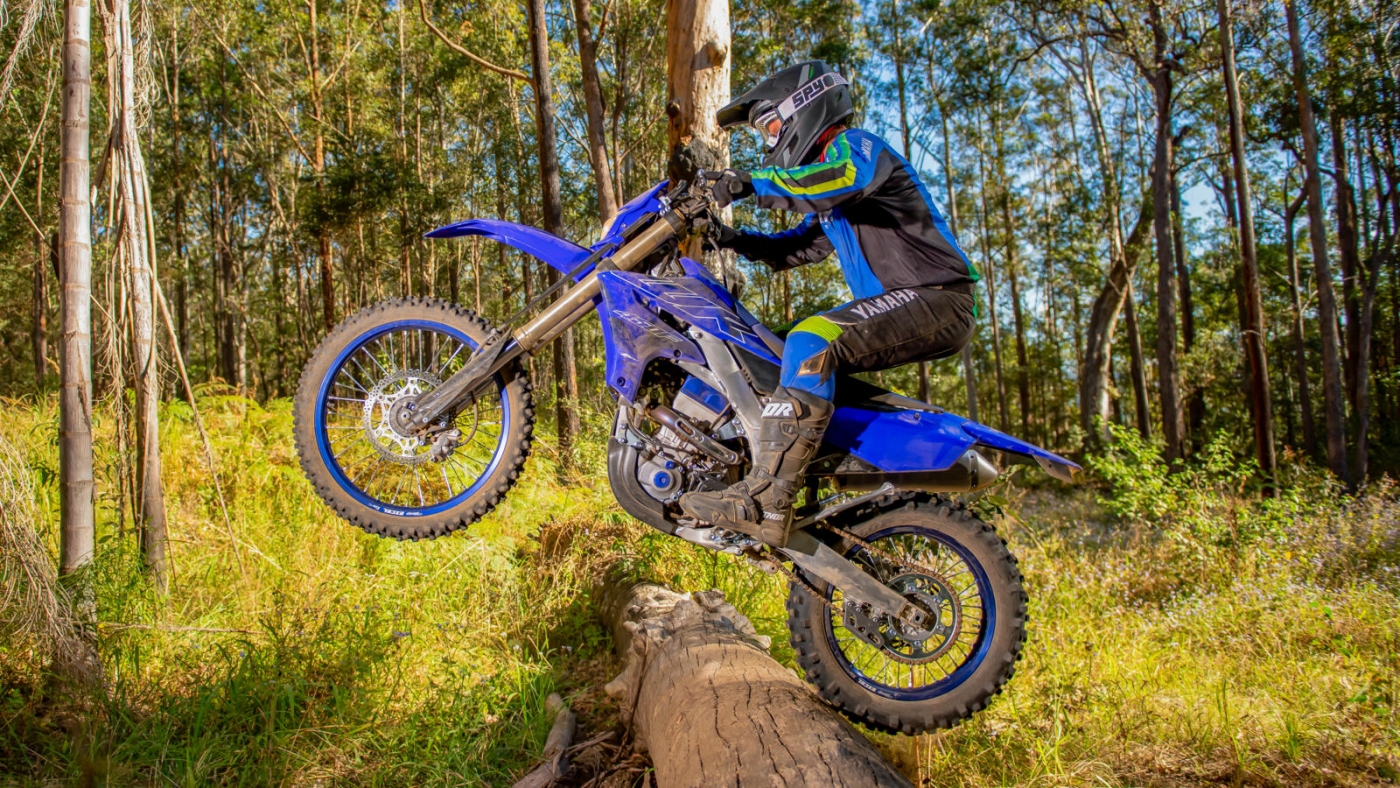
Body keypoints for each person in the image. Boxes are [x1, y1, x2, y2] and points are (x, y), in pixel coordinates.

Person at [679, 60, 979, 548]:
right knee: (770, 347)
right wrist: (730, 238)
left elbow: (839, 177)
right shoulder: (835, 197)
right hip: (913, 301)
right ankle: (783, 470)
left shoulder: (856, 148)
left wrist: (752, 182)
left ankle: (768, 500)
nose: (770, 142)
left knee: (812, 339)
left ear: (806, 106)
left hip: (939, 297)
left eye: (770, 126)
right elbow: (798, 246)